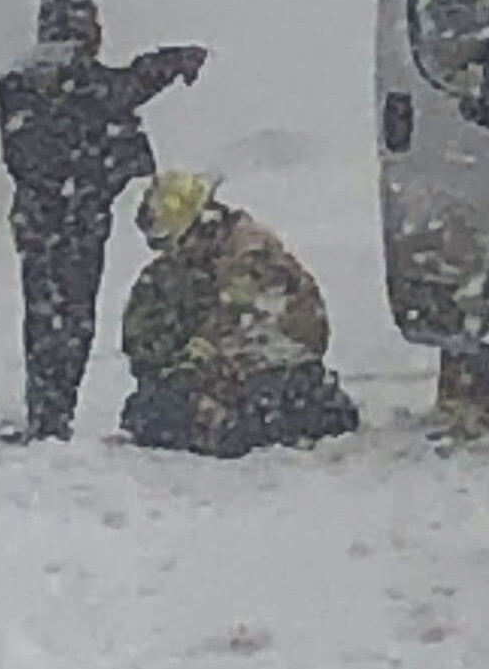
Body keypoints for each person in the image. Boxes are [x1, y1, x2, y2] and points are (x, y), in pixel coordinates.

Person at [0, 0, 207, 440]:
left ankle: (44, 411)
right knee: (73, 316)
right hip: (77, 216)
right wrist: (171, 63)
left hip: (39, 216)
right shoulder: (77, 77)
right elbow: (122, 89)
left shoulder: (18, 80)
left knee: (43, 313)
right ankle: (55, 414)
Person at [120, 169, 359, 456]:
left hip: (270, 374)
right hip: (253, 374)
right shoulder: (189, 264)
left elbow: (244, 324)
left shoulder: (246, 255)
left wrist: (198, 364)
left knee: (160, 414)